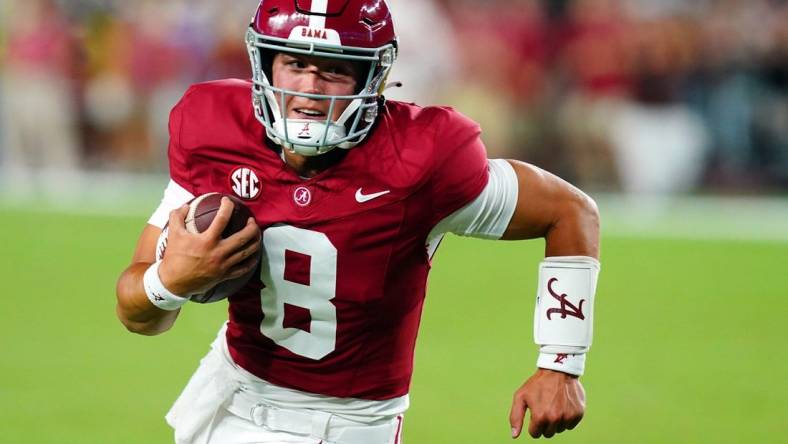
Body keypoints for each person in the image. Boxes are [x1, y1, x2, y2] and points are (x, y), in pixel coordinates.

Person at [115, 1, 601, 443]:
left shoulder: (422, 157)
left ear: (372, 78)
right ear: (265, 64)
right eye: (296, 63)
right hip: (229, 395)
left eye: (334, 70)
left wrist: (561, 363)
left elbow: (569, 211)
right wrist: (170, 282)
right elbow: (137, 314)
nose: (309, 88)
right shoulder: (214, 129)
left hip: (346, 425)